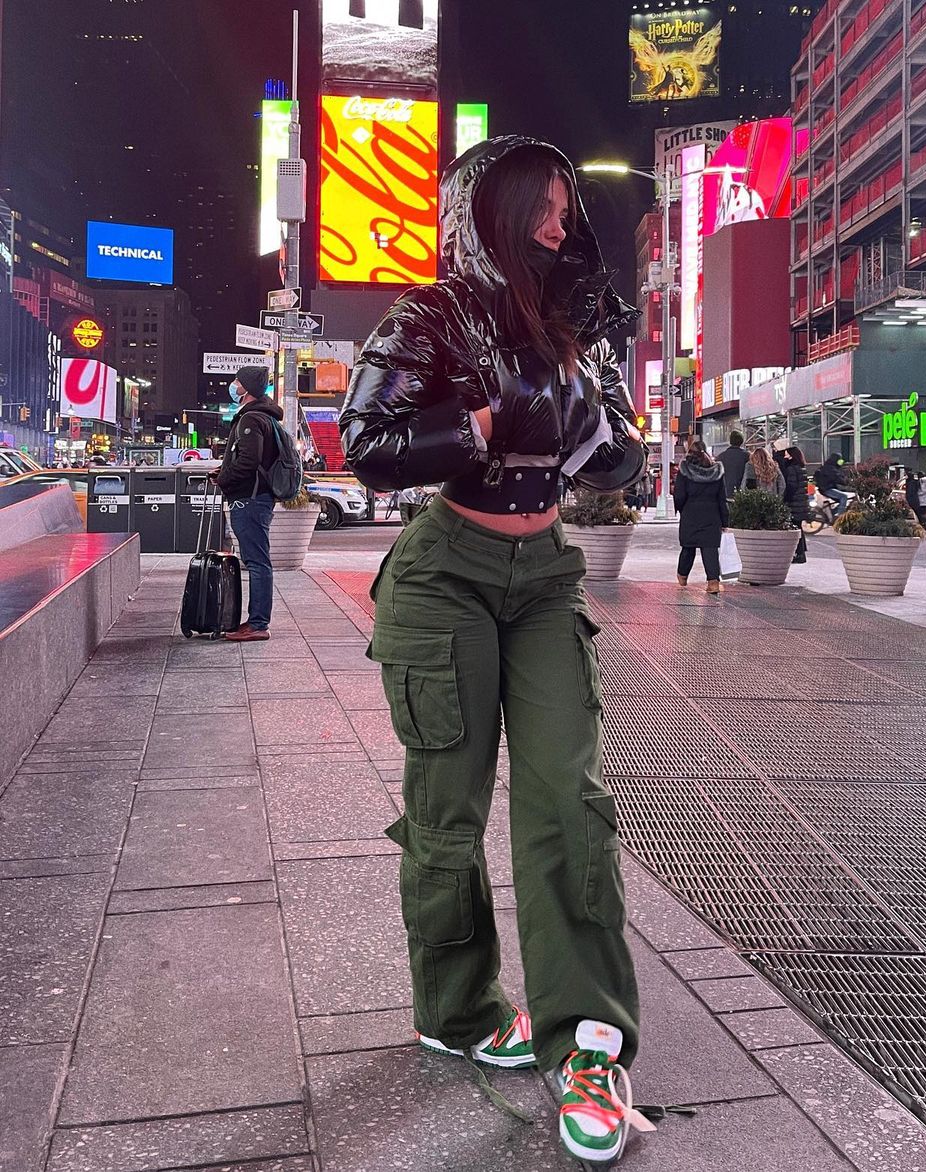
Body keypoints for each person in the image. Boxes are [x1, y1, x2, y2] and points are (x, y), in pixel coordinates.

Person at [339, 137, 652, 1165]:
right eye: (544, 208)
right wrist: (479, 417)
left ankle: (589, 1043)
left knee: (570, 797)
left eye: (566, 209)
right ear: (493, 211)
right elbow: (367, 444)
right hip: (448, 573)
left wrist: (608, 441)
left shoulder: (575, 323)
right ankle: (459, 1007)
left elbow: (622, 452)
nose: (561, 227)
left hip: (548, 574)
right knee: (449, 803)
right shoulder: (429, 314)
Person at [212, 364, 280, 642]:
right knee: (256, 560)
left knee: (257, 562)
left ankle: (258, 624)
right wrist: (223, 472)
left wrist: (224, 479)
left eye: (237, 381)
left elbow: (249, 462)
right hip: (254, 498)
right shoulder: (263, 417)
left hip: (249, 499)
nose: (234, 385)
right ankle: (255, 621)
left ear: (247, 388)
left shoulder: (252, 419)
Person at [674, 439, 729, 593]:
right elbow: (722, 499)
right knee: (710, 549)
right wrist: (725, 520)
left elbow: (679, 495)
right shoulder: (716, 471)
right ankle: (713, 583)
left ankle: (682, 577)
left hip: (690, 513)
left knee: (688, 547)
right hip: (712, 515)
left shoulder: (685, 470)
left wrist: (681, 509)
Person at [778, 442, 809, 562]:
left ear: (792, 456)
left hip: (795, 503)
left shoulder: (791, 469)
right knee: (798, 528)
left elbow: (791, 486)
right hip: (801, 502)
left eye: (787, 454)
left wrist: (785, 499)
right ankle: (801, 553)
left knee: (795, 529)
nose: (785, 457)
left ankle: (800, 554)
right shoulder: (801, 467)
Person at [717, 429, 749, 499]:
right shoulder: (747, 456)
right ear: (741, 441)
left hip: (725, 493)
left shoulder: (721, 457)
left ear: (730, 441)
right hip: (743, 494)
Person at [814, 452, 849, 518]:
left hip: (824, 488)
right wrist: (847, 482)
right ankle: (840, 516)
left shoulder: (829, 466)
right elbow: (838, 478)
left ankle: (832, 513)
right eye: (839, 460)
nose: (841, 462)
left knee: (842, 501)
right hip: (827, 489)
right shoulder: (830, 468)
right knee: (844, 497)